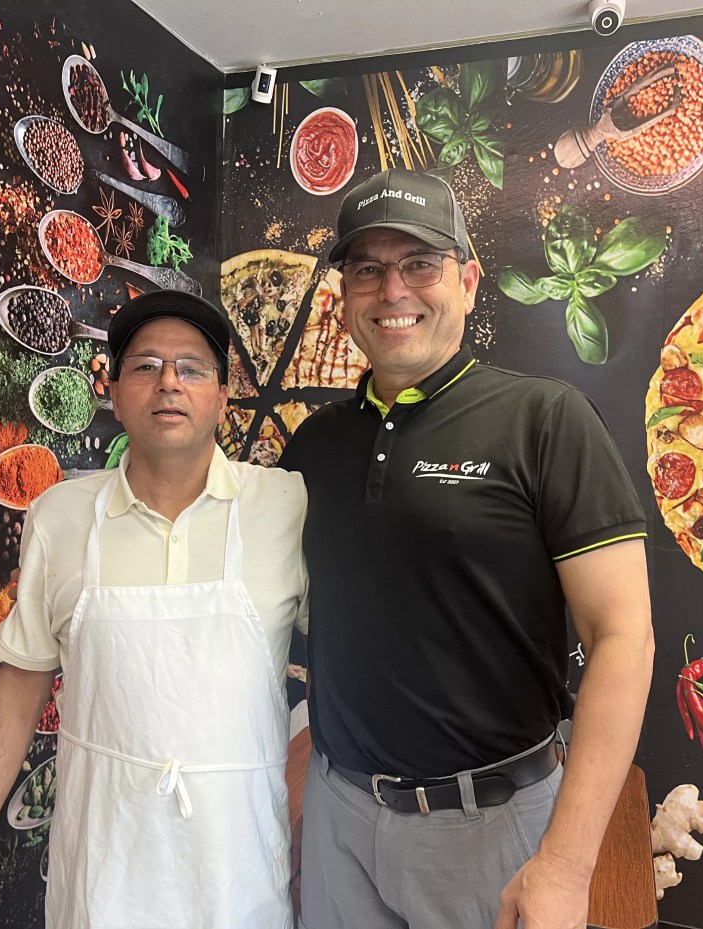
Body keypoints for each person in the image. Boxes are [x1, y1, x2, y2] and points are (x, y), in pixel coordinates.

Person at [279, 168, 654, 929]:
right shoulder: (315, 444)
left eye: (420, 262)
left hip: (493, 826)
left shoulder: (545, 420)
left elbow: (624, 638)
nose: (393, 291)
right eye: (368, 269)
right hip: (339, 813)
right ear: (344, 291)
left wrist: (566, 864)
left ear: (469, 279)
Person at [0, 290, 308, 929]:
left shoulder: (284, 508)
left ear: (223, 396)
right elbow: (20, 686)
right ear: (115, 392)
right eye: (145, 366)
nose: (168, 383)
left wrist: (295, 801)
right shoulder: (59, 516)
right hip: (102, 879)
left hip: (239, 879)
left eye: (192, 368)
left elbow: (354, 665)